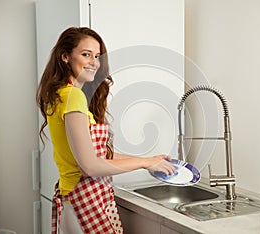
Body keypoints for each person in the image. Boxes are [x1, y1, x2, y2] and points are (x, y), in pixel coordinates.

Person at [36, 27, 176, 234]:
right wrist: (145, 162)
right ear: (65, 56)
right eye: (86, 54)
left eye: (97, 56)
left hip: (77, 199)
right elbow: (91, 166)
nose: (94, 61)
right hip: (83, 199)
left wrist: (149, 160)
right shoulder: (72, 97)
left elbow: (100, 154)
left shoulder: (62, 94)